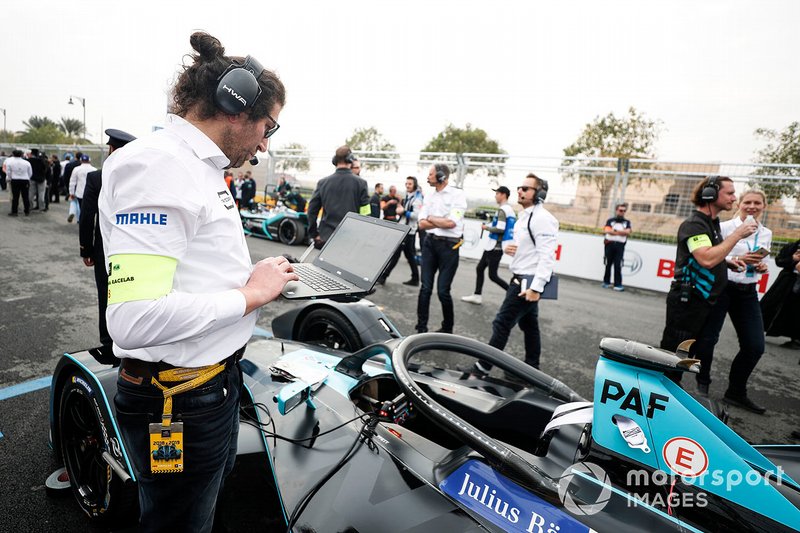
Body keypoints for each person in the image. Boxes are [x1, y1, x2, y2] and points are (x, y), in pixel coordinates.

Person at [98, 32, 296, 532]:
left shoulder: (194, 166)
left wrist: (251, 277)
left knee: (196, 509)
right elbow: (133, 319)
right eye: (268, 126)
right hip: (180, 397)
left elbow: (192, 268)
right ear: (235, 108)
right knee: (179, 522)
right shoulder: (161, 166)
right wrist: (252, 294)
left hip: (209, 386)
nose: (265, 142)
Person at [658, 176, 758, 384]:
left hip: (702, 303)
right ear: (710, 195)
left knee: (689, 353)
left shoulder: (712, 225)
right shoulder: (695, 224)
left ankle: (677, 393)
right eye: (729, 193)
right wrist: (737, 234)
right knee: (673, 356)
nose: (734, 198)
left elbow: (712, 255)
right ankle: (660, 397)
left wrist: (728, 262)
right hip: (688, 303)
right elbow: (706, 258)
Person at [691, 190, 772, 413]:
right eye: (748, 202)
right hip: (722, 288)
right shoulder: (724, 227)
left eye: (757, 203)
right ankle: (702, 385)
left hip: (747, 291)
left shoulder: (766, 233)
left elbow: (759, 259)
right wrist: (735, 259)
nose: (752, 206)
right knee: (707, 340)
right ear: (740, 204)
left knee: (755, 346)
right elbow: (712, 256)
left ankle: (735, 392)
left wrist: (761, 266)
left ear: (764, 206)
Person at [474, 174, 557, 373]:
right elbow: (530, 249)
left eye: (526, 188)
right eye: (519, 187)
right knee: (529, 326)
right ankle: (532, 369)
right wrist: (512, 249)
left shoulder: (543, 219)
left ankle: (482, 368)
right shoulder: (525, 217)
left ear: (540, 193)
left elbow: (547, 256)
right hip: (521, 277)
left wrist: (536, 288)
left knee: (501, 323)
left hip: (526, 281)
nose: (520, 190)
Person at [79, 128, 137, 362]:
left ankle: (109, 343)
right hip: (134, 248)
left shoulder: (97, 177)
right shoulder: (137, 176)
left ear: (110, 149)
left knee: (106, 294)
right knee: (131, 293)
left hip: (105, 248)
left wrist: (86, 248)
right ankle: (130, 343)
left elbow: (87, 217)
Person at [415, 164, 467, 333]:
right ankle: (421, 328)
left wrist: (431, 218)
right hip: (430, 243)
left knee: (443, 291)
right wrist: (439, 220)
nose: (427, 177)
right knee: (425, 288)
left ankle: (447, 328)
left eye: (430, 174)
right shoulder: (429, 195)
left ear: (440, 176)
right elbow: (421, 224)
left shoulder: (457, 195)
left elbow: (452, 222)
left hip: (449, 246)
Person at [306, 145, 370, 248]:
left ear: (335, 160)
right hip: (351, 238)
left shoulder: (323, 183)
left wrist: (314, 234)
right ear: (350, 160)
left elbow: (312, 211)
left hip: (326, 238)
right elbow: (366, 213)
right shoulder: (361, 183)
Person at [462, 186, 516, 305]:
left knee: (492, 275)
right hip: (494, 246)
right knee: (480, 268)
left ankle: (514, 296)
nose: (495, 196)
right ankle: (477, 295)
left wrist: (487, 228)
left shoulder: (503, 210)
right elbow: (500, 225)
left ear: (503, 195)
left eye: (497, 193)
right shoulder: (508, 210)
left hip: (495, 247)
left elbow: (500, 228)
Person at [761, 239, 800, 350]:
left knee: (796, 311)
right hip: (785, 283)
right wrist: (793, 259)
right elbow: (779, 261)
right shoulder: (792, 246)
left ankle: (796, 339)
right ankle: (756, 329)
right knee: (770, 304)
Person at [602, 203, 632, 291]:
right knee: (608, 264)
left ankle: (617, 284)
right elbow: (607, 230)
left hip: (620, 246)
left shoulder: (627, 222)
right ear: (616, 211)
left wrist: (614, 231)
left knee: (618, 265)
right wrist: (621, 232)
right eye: (620, 210)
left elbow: (628, 232)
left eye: (624, 211)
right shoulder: (610, 220)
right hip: (609, 244)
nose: (622, 212)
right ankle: (606, 282)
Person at [4, 149, 32, 216]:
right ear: (22, 155)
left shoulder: (10, 163)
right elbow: (30, 173)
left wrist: (11, 178)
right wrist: (27, 178)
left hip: (15, 180)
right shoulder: (27, 162)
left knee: (15, 197)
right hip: (25, 180)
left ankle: (14, 211)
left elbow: (8, 172)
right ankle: (27, 211)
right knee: (25, 196)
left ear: (13, 154)